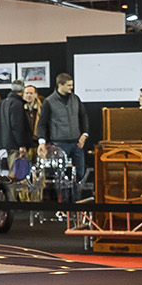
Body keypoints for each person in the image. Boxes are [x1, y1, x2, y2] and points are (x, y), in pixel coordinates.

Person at [37, 73, 90, 201]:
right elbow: (42, 124)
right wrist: (42, 142)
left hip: (76, 142)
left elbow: (83, 116)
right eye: (69, 85)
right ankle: (64, 205)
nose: (71, 87)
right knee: (60, 177)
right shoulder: (49, 102)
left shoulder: (75, 99)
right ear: (60, 85)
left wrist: (84, 134)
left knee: (80, 174)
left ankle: (76, 202)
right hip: (59, 143)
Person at [0, 82, 31, 176]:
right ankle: (14, 191)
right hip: (16, 144)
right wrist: (22, 144)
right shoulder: (17, 104)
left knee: (13, 171)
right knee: (17, 174)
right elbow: (17, 126)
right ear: (22, 90)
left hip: (7, 142)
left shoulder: (4, 102)